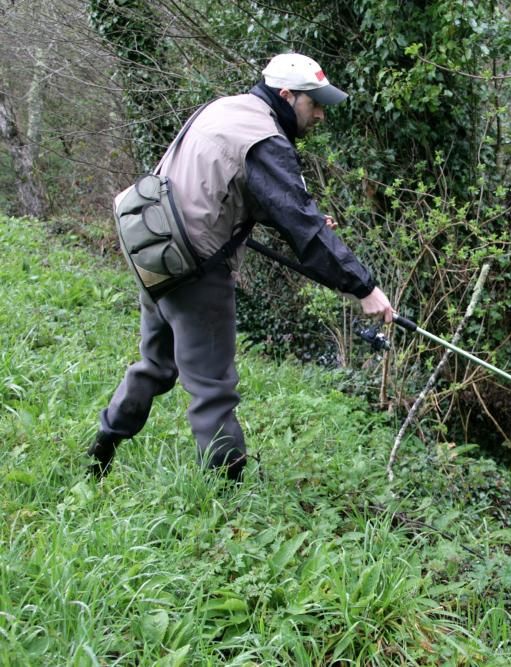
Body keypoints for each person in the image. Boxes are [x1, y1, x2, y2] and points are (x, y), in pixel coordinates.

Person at [88, 53, 393, 481]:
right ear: (287, 96)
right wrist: (364, 288)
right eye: (314, 103)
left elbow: (229, 185)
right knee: (213, 389)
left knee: (155, 364)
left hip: (153, 252)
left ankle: (100, 450)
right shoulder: (264, 136)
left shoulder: (225, 108)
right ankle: (224, 509)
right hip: (196, 268)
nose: (321, 114)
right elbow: (302, 226)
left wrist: (290, 217)